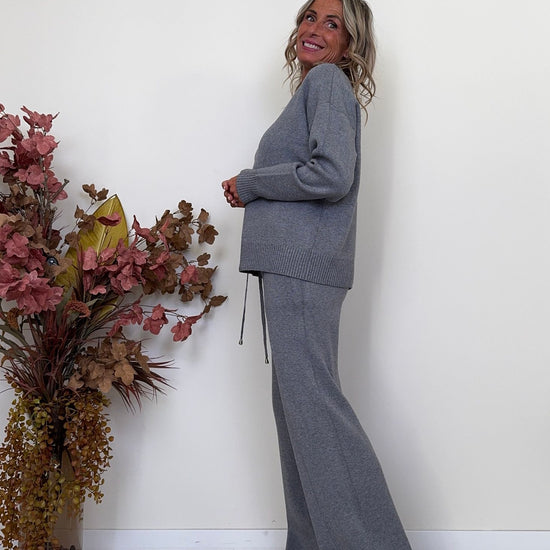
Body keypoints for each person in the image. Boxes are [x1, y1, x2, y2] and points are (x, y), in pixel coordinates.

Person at [222, 1, 411, 548]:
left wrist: (252, 182)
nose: (316, 29)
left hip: (302, 271)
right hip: (294, 270)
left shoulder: (327, 82)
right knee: (298, 419)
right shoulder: (314, 89)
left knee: (316, 416)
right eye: (311, 17)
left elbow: (331, 174)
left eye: (334, 24)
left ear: (350, 44)